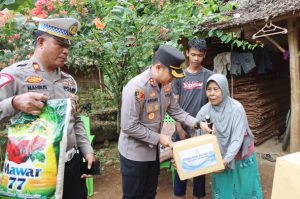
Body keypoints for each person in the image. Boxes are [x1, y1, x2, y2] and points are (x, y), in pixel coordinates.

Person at [0, 17, 95, 199]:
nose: (66, 51)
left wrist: (87, 151)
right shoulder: (14, 75)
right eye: (60, 44)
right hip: (35, 170)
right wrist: (13, 103)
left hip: (71, 165)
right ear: (41, 42)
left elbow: (75, 120)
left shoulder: (69, 81)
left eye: (68, 47)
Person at [118, 44, 202, 199]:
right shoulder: (137, 88)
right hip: (134, 155)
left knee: (150, 193)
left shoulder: (166, 85)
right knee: (133, 196)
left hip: (153, 153)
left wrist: (198, 123)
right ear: (158, 67)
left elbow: (176, 110)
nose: (172, 79)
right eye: (171, 75)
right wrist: (160, 138)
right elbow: (128, 126)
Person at [196, 74, 263, 199]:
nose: (212, 93)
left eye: (216, 89)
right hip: (220, 156)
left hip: (240, 154)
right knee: (223, 187)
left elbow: (237, 140)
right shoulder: (205, 110)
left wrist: (225, 161)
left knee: (244, 187)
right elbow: (196, 127)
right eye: (209, 89)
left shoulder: (236, 108)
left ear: (224, 89)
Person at [172, 38, 214, 199]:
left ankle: (199, 195)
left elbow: (212, 104)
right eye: (193, 54)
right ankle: (179, 195)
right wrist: (179, 128)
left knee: (200, 168)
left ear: (204, 55)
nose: (196, 58)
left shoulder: (209, 76)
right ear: (187, 53)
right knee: (180, 167)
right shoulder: (179, 76)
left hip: (202, 128)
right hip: (182, 128)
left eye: (200, 55)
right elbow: (174, 106)